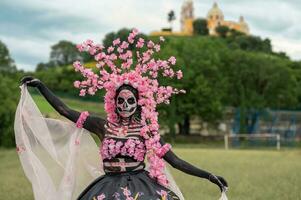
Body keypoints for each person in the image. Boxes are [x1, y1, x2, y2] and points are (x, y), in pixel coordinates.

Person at [16, 29, 228, 200]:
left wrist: (209, 176)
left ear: (138, 103)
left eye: (130, 101)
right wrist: (41, 87)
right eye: (120, 101)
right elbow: (65, 111)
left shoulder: (147, 131)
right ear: (114, 103)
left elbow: (176, 161)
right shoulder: (102, 126)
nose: (125, 105)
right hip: (107, 187)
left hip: (141, 187)